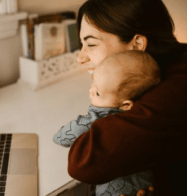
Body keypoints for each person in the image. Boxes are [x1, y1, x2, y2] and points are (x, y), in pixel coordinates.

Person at [67, 0, 187, 196]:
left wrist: (101, 101)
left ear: (136, 44)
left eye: (91, 44)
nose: (81, 57)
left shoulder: (176, 89)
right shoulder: (157, 72)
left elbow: (82, 162)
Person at [54, 50, 159, 196]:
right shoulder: (144, 119)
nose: (90, 91)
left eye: (98, 93)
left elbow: (61, 138)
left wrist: (91, 115)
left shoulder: (100, 118)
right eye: (93, 83)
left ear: (126, 105)